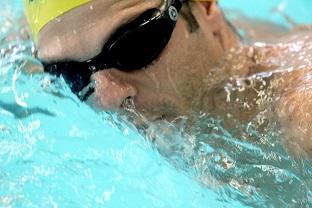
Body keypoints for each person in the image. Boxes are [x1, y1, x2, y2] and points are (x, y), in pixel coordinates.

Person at [24, 0, 312, 157]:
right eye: (71, 73)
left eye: (134, 44)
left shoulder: (298, 115)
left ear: (206, 6)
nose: (108, 97)